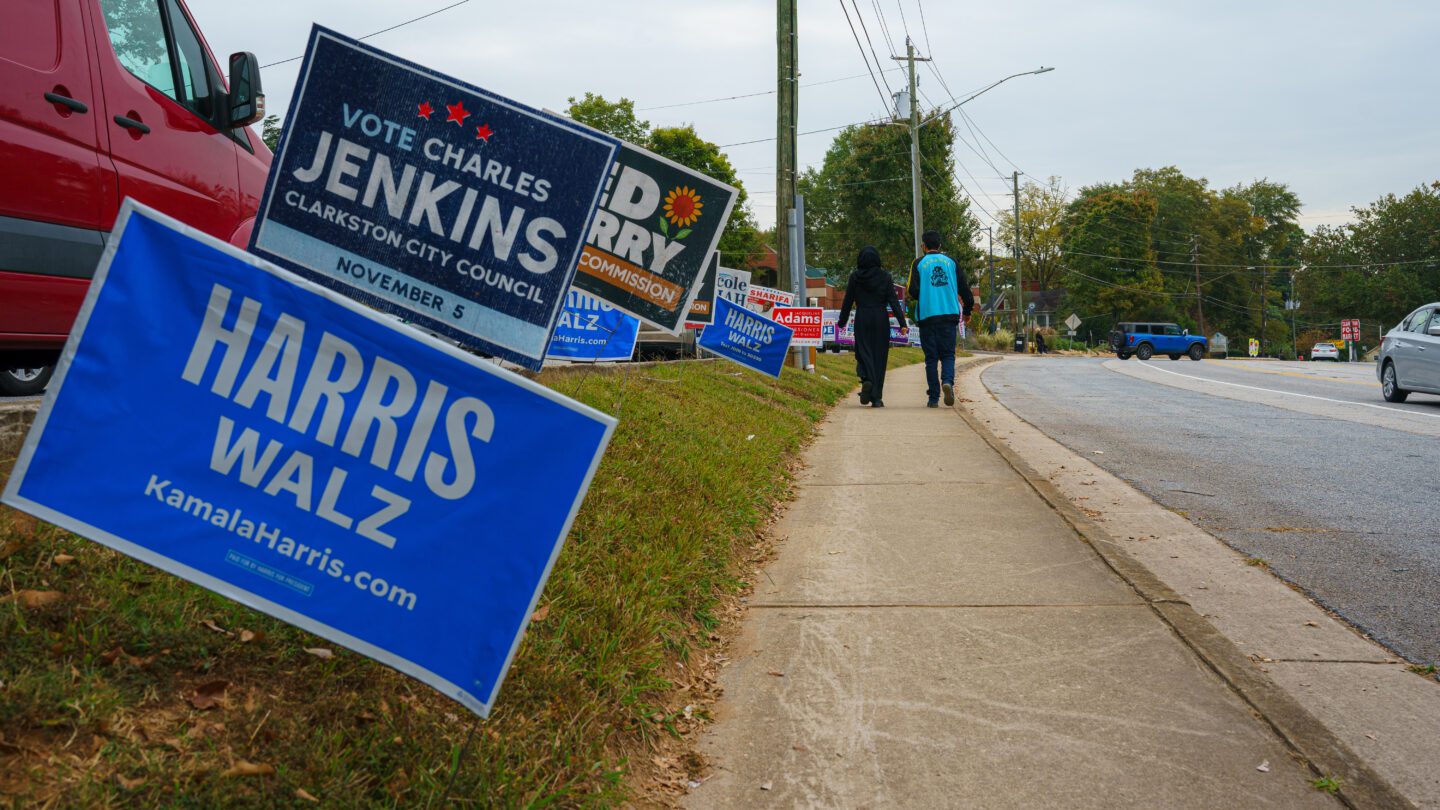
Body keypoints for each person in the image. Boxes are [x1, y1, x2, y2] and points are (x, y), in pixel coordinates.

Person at [908, 230, 974, 407]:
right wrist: (967, 311)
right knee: (948, 354)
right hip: (949, 314)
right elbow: (965, 290)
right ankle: (947, 382)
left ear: (923, 245)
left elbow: (912, 291)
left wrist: (926, 293)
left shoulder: (918, 263)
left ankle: (933, 398)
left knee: (930, 358)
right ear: (940, 245)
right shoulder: (951, 263)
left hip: (927, 316)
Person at [838, 246, 907, 408]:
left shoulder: (855, 277)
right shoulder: (885, 277)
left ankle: (866, 378)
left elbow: (847, 301)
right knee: (879, 357)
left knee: (862, 352)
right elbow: (893, 301)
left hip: (862, 316)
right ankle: (877, 398)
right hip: (880, 318)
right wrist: (902, 323)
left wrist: (842, 321)